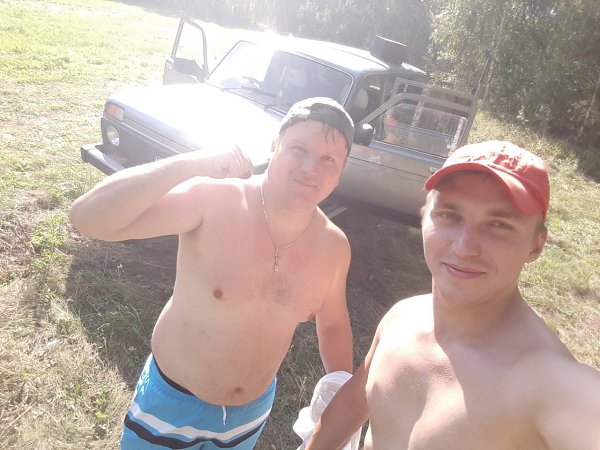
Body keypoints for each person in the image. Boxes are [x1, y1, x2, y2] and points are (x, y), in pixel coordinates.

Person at [69, 97, 356, 449]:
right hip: (171, 405)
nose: (310, 168)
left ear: (340, 173)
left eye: (328, 159)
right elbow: (88, 218)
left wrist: (340, 393)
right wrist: (192, 163)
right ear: (275, 145)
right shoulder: (214, 200)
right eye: (299, 149)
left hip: (249, 418)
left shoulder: (333, 247)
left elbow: (333, 324)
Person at [305, 141, 600, 450]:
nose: (464, 247)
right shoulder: (401, 319)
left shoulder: (546, 383)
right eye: (450, 215)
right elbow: (355, 400)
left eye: (499, 225)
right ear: (424, 217)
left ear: (536, 244)